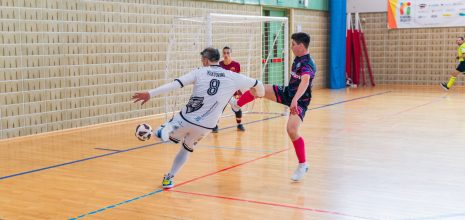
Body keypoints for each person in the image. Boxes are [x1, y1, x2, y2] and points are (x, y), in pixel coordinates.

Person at [132, 47, 264, 189]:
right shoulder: (233, 76)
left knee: (161, 133)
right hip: (206, 126)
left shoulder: (199, 72)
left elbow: (175, 84)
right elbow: (259, 85)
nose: (202, 62)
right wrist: (260, 94)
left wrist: (150, 93)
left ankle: (161, 132)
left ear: (206, 60)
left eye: (202, 60)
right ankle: (169, 178)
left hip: (186, 118)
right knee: (186, 148)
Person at [230, 32, 316, 181]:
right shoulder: (298, 58)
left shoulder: (308, 63)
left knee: (291, 130)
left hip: (300, 100)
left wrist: (295, 100)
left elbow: (305, 81)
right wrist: (292, 96)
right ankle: (236, 105)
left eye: (293, 44)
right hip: (289, 92)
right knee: (259, 89)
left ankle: (303, 165)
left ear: (301, 46)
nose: (291, 47)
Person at [212, 46, 245, 133]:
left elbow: (237, 78)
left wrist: (237, 90)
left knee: (237, 107)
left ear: (231, 54)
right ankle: (215, 126)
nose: (226, 55)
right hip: (222, 90)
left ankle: (239, 124)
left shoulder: (236, 65)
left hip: (233, 90)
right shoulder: (219, 65)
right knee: (218, 108)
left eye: (228, 53)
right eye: (224, 53)